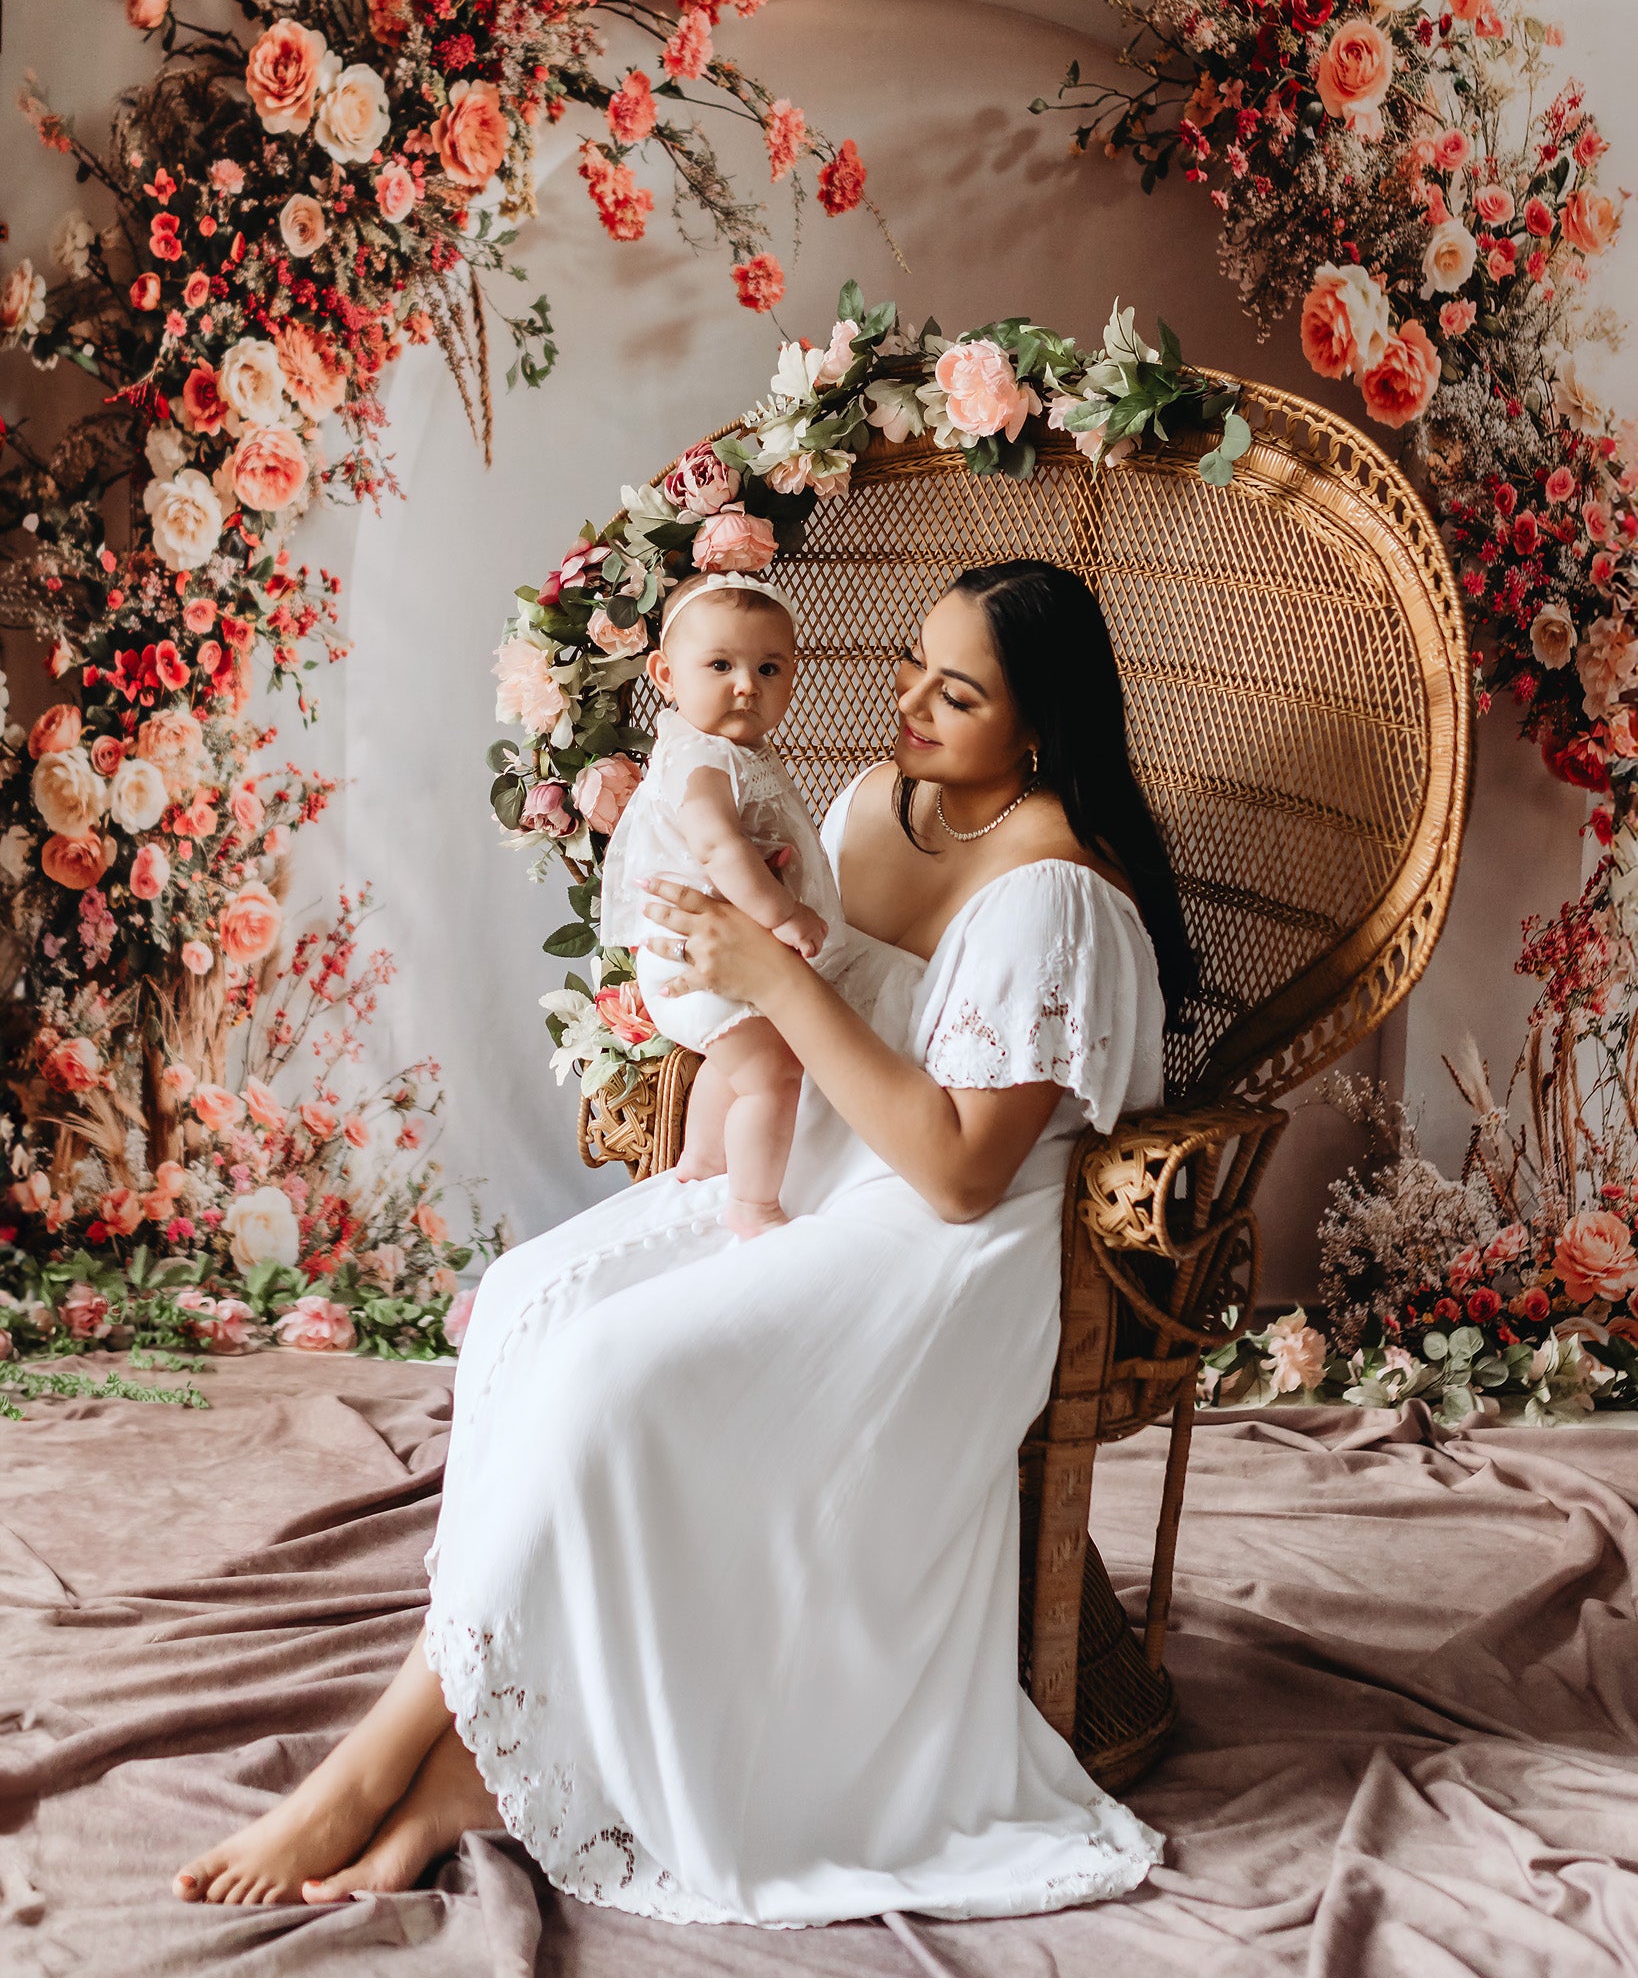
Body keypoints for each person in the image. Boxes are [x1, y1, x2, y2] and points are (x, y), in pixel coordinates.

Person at [173, 558, 1199, 1923]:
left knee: (620, 1374)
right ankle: (479, 1729)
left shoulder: (1052, 893)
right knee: (533, 1300)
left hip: (952, 1243)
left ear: (1038, 727)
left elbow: (961, 1173)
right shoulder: (877, 802)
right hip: (821, 1158)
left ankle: (393, 1758)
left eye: (958, 695)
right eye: (912, 662)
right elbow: (769, 982)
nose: (909, 701)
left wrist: (769, 970)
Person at [599, 568, 848, 1235]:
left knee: (736, 1055)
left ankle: (704, 1163)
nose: (747, 685)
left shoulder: (733, 750)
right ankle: (753, 1205)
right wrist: (784, 914)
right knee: (775, 1073)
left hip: (706, 950)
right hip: (691, 953)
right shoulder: (703, 758)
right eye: (720, 665)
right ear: (665, 674)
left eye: (769, 668)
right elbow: (716, 847)